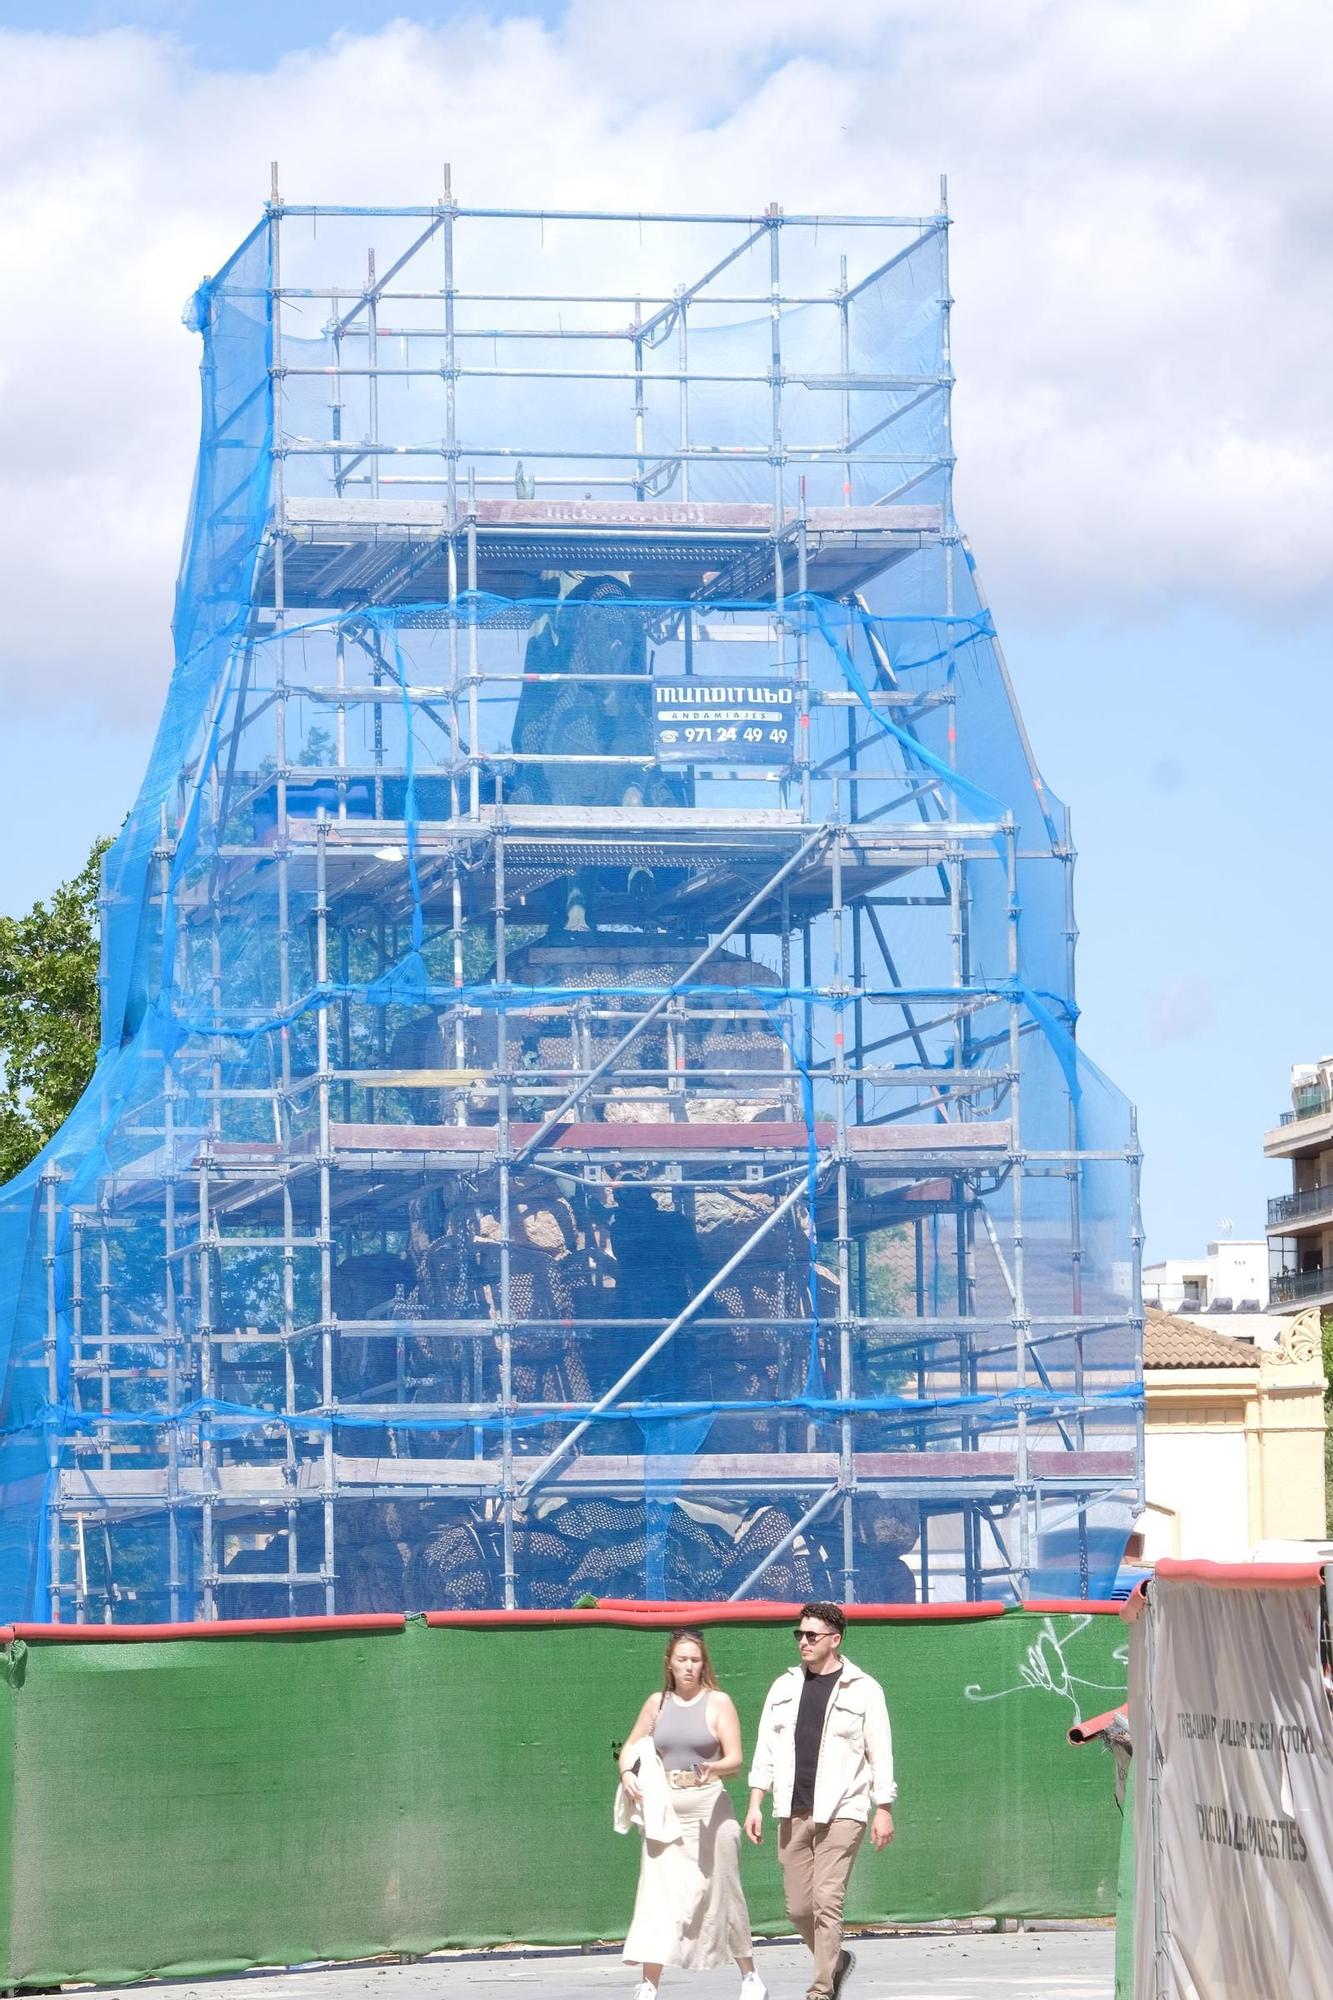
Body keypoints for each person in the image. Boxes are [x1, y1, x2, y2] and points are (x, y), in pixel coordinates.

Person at [744, 1602, 895, 2000]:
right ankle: (836, 1961)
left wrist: (884, 1808)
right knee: (798, 1908)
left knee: (827, 1900)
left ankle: (820, 1989)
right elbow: (765, 1748)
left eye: (812, 1635)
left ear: (835, 1639)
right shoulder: (784, 1686)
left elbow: (881, 1752)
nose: (803, 1642)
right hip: (791, 1808)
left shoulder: (863, 1688)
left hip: (844, 1808)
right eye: (800, 1634)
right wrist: (755, 1802)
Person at [617, 1626, 768, 2000]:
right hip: (664, 1811)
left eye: (695, 1660)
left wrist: (712, 1768)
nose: (689, 1666)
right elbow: (630, 1748)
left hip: (710, 1809)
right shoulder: (657, 1703)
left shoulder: (718, 1702)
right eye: (682, 1659)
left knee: (724, 1890)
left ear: (704, 1664)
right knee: (658, 1895)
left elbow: (734, 1758)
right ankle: (649, 1983)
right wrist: (626, 1775)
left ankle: (750, 1977)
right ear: (669, 1663)